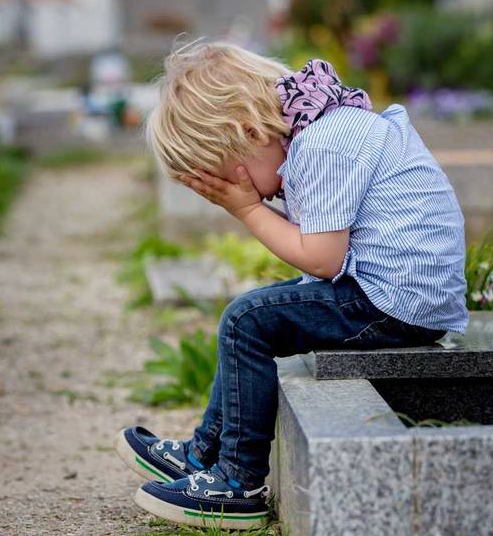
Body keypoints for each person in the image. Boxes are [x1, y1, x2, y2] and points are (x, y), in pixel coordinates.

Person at [117, 41, 467, 530]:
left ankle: (238, 482)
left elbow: (321, 259)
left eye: (231, 176)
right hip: (401, 295)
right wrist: (252, 203)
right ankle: (204, 453)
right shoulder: (326, 128)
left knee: (247, 320)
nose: (251, 192)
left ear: (249, 132)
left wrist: (247, 210)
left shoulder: (322, 145)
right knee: (261, 314)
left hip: (394, 304)